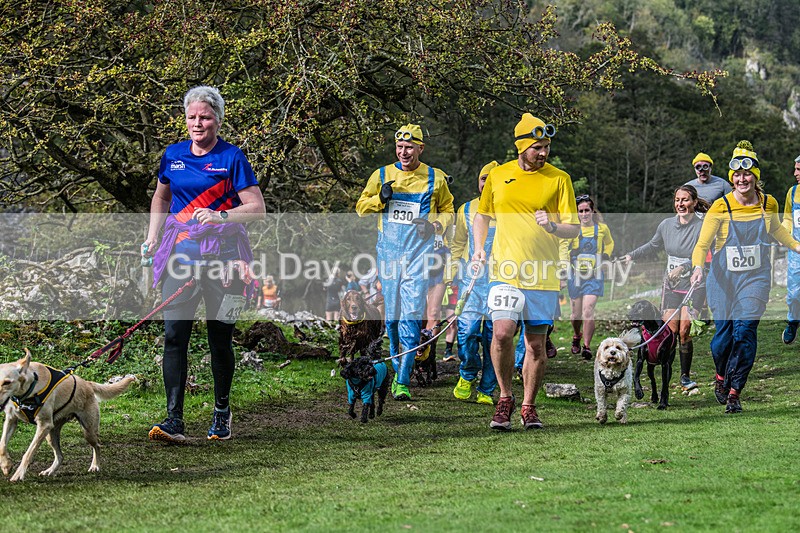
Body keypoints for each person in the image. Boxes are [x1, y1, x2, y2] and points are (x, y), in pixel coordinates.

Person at [142, 85, 266, 443]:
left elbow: (257, 209)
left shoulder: (232, 157)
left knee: (219, 339)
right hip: (180, 256)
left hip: (226, 260)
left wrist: (220, 216)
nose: (198, 123)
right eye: (192, 117)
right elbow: (160, 197)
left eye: (205, 117)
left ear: (218, 120)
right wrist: (152, 236)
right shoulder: (174, 155)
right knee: (173, 336)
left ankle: (222, 414)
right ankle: (173, 420)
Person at [472, 113, 579, 430]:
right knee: (502, 333)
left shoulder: (559, 178)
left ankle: (529, 407)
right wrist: (479, 248)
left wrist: (554, 225)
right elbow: (482, 216)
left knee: (535, 345)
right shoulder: (499, 175)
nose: (543, 152)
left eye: (546, 146)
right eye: (537, 147)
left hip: (542, 274)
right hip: (504, 269)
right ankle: (505, 397)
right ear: (520, 146)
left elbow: (574, 229)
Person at [690, 141, 800, 414]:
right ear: (731, 178)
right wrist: (696, 268)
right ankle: (720, 375)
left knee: (745, 331)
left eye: (747, 174)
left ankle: (734, 392)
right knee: (723, 338)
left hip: (756, 278)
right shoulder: (719, 206)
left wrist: (797, 246)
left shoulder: (768, 202)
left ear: (755, 176)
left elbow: (777, 230)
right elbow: (702, 245)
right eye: (737, 175)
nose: (742, 179)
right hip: (722, 278)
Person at [356, 123, 454, 401]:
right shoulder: (382, 174)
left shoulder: (436, 178)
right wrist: (379, 199)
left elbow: (448, 210)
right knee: (393, 319)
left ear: (420, 148)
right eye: (399, 147)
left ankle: (402, 381)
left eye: (409, 147)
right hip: (388, 255)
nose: (404, 152)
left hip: (419, 257)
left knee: (410, 318)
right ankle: (401, 365)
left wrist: (435, 226)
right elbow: (360, 208)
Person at [623, 185, 710, 391]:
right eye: (677, 200)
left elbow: (706, 254)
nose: (680, 204)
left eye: (685, 200)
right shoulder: (666, 225)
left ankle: (685, 376)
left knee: (684, 331)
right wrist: (631, 255)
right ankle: (666, 372)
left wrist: (684, 267)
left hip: (694, 284)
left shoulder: (703, 226)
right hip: (672, 286)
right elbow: (653, 245)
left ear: (694, 202)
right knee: (669, 331)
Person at [449, 161, 499, 405]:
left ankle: (487, 389)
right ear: (478, 183)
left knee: (494, 338)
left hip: (500, 281)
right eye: (483, 179)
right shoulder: (466, 209)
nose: (487, 183)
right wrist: (453, 273)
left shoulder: (510, 209)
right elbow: (457, 244)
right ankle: (467, 373)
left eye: (492, 179)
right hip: (472, 281)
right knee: (467, 331)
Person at [565, 194, 614, 361]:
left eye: (587, 210)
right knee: (575, 314)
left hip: (594, 275)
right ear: (576, 213)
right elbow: (562, 247)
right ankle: (576, 335)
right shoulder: (571, 229)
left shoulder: (601, 229)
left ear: (593, 211)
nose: (584, 214)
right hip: (575, 275)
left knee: (588, 310)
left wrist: (606, 254)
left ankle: (586, 346)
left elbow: (609, 243)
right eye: (581, 211)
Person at [781, 155, 800, 344]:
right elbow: (788, 218)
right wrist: (784, 234)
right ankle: (793, 321)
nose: (795, 173)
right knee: (794, 293)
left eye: (799, 170)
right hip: (796, 250)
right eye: (795, 169)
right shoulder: (792, 192)